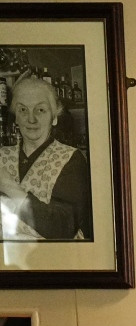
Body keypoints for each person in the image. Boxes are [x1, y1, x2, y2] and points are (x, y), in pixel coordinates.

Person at [0, 74, 93, 241]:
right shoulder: (2, 155)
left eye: (40, 109)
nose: (31, 119)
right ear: (16, 118)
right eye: (23, 110)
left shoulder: (71, 159)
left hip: (53, 260)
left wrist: (8, 186)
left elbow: (63, 227)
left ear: (54, 117)